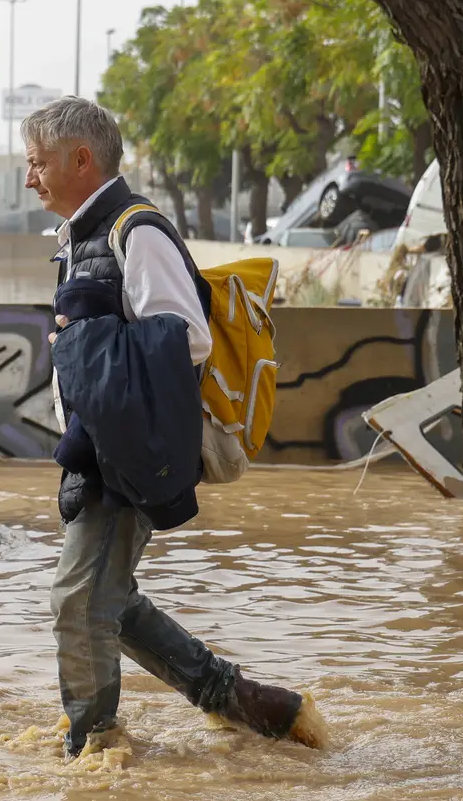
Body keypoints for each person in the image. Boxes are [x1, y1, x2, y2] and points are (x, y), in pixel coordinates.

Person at [23, 96, 326, 757]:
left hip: (124, 451)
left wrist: (86, 342)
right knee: (108, 599)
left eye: (38, 163)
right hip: (98, 448)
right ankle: (253, 707)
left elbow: (185, 338)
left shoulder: (138, 230)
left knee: (78, 601)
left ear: (82, 158)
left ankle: (94, 751)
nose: (29, 178)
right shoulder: (85, 237)